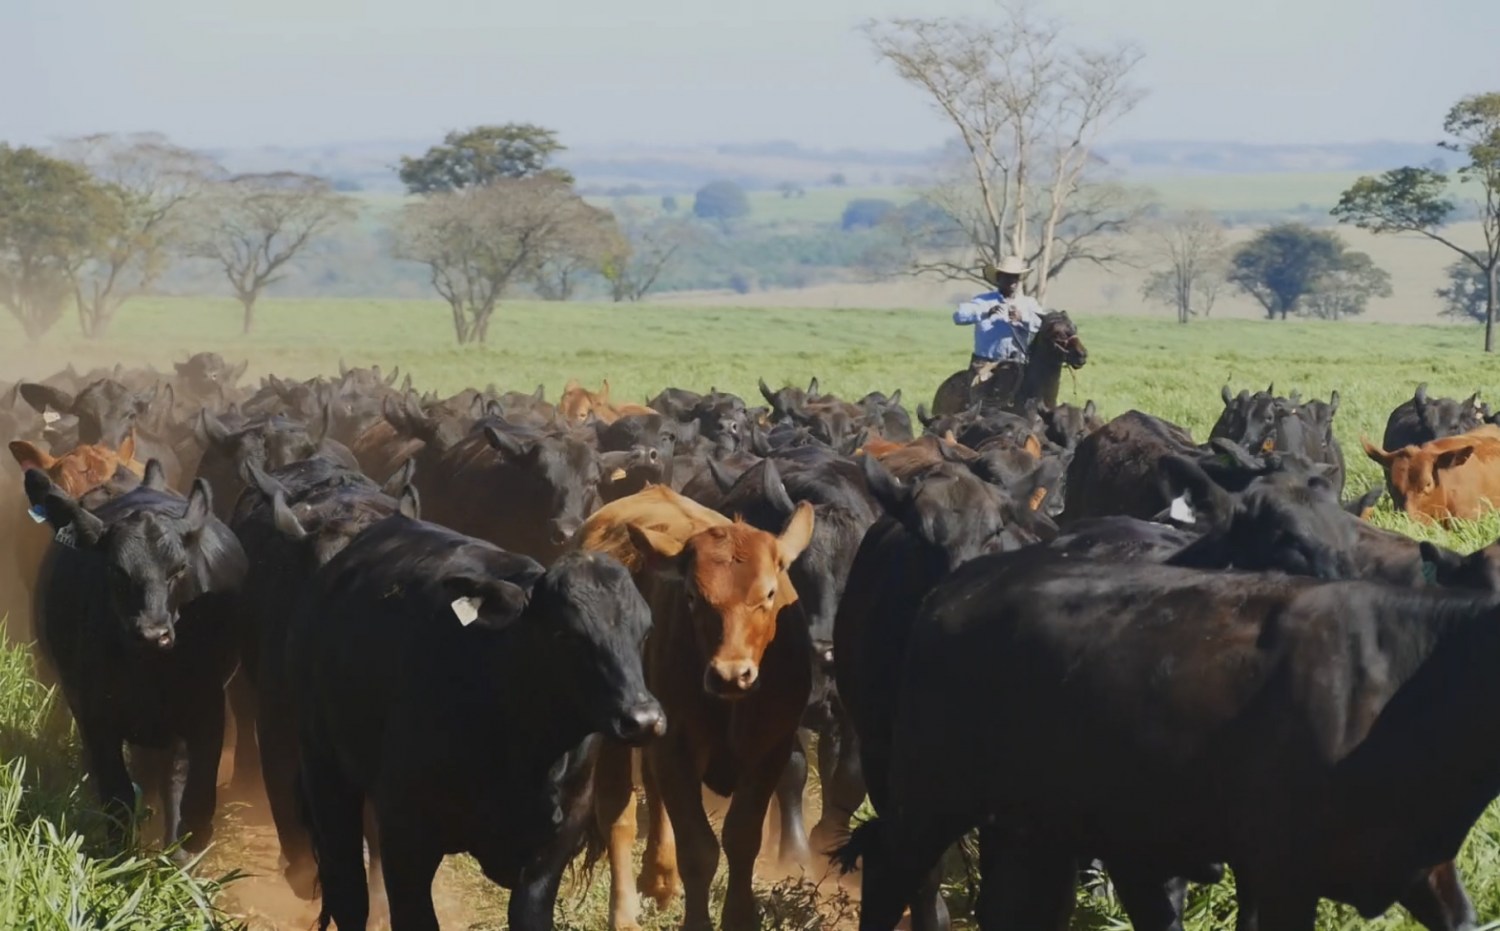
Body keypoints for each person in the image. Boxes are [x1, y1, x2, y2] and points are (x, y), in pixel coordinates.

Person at [952, 255, 1044, 370]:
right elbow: (958, 316)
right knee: (978, 385)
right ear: (999, 277)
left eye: (1015, 276)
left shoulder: (1029, 304)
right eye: (1007, 276)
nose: (1011, 280)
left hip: (1019, 365)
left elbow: (1044, 325)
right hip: (985, 365)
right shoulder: (983, 301)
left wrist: (1022, 318)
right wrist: (985, 313)